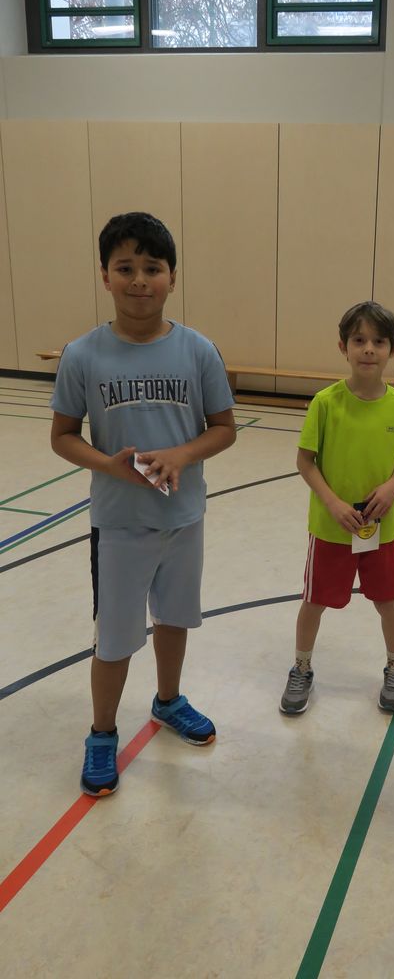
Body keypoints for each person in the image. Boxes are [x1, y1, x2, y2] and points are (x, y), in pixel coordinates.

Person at [50, 212, 236, 797]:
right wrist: (107, 465)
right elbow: (63, 436)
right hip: (119, 525)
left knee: (175, 619)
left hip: (183, 519)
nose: (138, 280)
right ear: (104, 275)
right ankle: (102, 733)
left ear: (172, 278)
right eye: (125, 267)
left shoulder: (198, 350)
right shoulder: (83, 355)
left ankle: (168, 700)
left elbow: (223, 428)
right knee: (114, 639)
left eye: (152, 268)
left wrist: (182, 454)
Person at [279, 301, 394, 716]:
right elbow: (305, 462)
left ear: (393, 349)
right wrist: (333, 502)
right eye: (359, 340)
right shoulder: (325, 403)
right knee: (315, 601)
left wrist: (393, 485)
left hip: (379, 528)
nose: (369, 349)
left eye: (379, 341)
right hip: (331, 527)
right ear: (343, 346)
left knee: (388, 600)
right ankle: (301, 667)